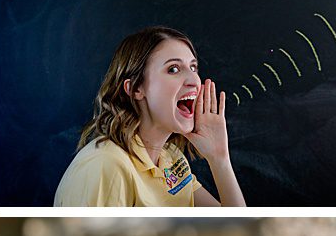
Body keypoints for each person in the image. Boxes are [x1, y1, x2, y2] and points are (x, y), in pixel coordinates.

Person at [53, 26, 246, 208]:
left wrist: (219, 158)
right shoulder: (105, 165)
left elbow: (240, 231)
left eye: (193, 68)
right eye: (173, 69)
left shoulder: (170, 158)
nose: (194, 81)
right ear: (136, 89)